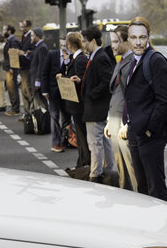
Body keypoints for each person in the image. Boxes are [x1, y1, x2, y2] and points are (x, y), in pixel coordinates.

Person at [123, 17, 167, 201]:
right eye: (134, 37)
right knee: (142, 187)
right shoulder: (133, 60)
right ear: (128, 39)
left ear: (149, 37)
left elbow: (165, 101)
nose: (138, 42)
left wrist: (150, 129)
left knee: (156, 188)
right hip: (136, 132)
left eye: (142, 37)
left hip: (151, 134)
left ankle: (165, 227)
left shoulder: (156, 60)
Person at [74, 26, 115, 183]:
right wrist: (82, 81)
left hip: (96, 108)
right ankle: (107, 170)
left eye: (84, 41)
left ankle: (95, 174)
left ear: (92, 41)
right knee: (104, 141)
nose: (83, 44)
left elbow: (106, 80)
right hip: (97, 107)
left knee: (95, 143)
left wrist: (92, 94)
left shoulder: (100, 57)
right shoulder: (97, 55)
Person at [104, 26, 138, 191]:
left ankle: (140, 200)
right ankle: (127, 198)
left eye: (116, 41)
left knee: (131, 166)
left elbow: (132, 97)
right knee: (120, 164)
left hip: (123, 123)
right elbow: (117, 92)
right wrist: (110, 120)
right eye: (112, 42)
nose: (113, 45)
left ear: (127, 41)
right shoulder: (121, 61)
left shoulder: (132, 62)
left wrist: (127, 123)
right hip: (115, 120)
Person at [60, 31, 90, 168]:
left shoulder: (80, 59)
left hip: (79, 105)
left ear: (70, 44)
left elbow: (82, 80)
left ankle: (84, 163)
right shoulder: (75, 59)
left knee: (82, 136)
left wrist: (67, 80)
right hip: (75, 104)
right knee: (80, 135)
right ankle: (82, 162)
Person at [42, 37, 72, 153]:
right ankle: (56, 143)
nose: (64, 48)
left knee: (67, 117)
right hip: (53, 91)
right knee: (54, 117)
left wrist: (67, 61)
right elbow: (45, 72)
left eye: (66, 46)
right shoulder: (52, 55)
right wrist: (45, 90)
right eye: (62, 46)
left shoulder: (71, 57)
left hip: (67, 92)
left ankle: (65, 140)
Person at [2, 24, 21, 116]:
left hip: (11, 68)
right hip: (9, 67)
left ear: (9, 31)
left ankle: (15, 108)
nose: (3, 31)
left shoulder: (13, 41)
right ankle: (14, 107)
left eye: (4, 29)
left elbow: (14, 55)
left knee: (13, 88)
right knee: (10, 88)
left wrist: (11, 68)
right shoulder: (10, 40)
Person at [29, 27, 49, 112]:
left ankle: (45, 120)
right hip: (34, 78)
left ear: (37, 36)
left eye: (32, 35)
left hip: (38, 80)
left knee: (41, 102)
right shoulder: (38, 47)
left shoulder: (42, 47)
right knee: (38, 102)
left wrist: (38, 80)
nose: (31, 38)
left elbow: (42, 65)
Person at [18, 20, 35, 118]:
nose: (22, 29)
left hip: (27, 67)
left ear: (29, 26)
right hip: (22, 66)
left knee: (28, 90)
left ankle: (31, 112)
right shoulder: (24, 37)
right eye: (21, 27)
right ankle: (27, 112)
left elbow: (31, 52)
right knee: (24, 90)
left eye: (23, 27)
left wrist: (23, 53)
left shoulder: (30, 37)